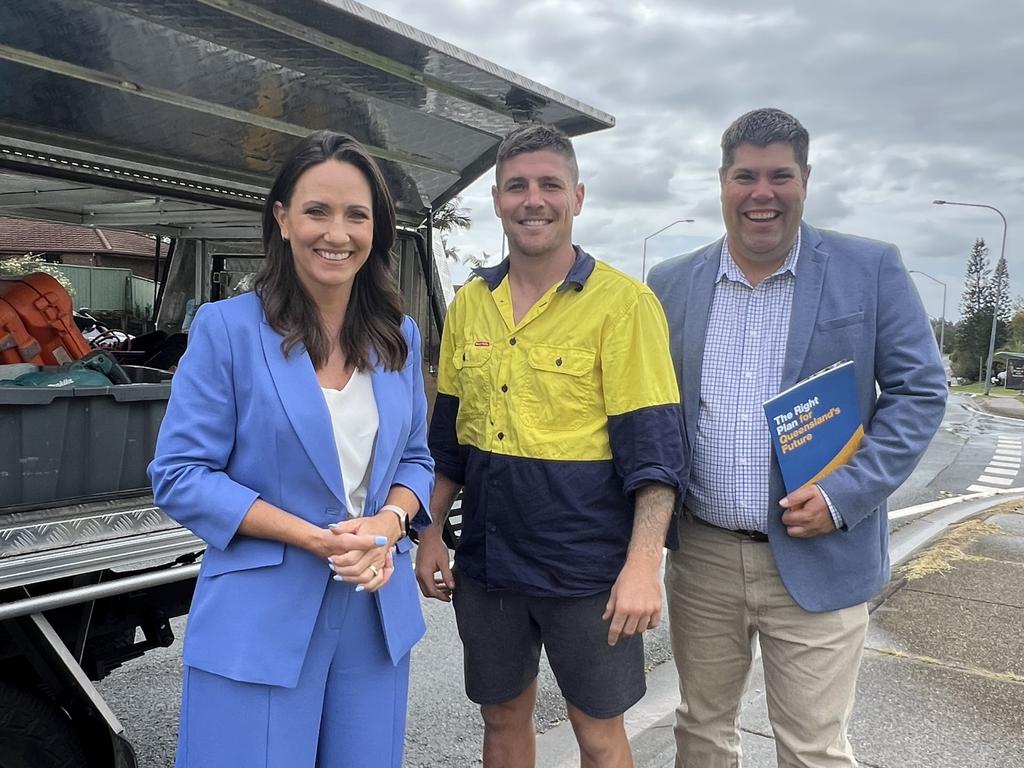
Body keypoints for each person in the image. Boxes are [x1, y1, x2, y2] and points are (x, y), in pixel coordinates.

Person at [647, 107, 948, 768]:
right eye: (746, 176)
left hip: (821, 556)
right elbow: (651, 416)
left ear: (805, 180)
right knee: (699, 730)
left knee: (813, 749)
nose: (763, 193)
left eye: (780, 176)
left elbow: (921, 391)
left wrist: (845, 494)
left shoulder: (869, 269)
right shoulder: (668, 284)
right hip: (703, 556)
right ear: (722, 182)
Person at [148, 130, 434, 768]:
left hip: (373, 613)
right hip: (260, 618)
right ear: (282, 219)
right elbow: (180, 475)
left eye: (357, 215)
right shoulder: (227, 329)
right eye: (317, 211)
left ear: (377, 229)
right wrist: (314, 538)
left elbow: (416, 456)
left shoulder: (400, 337)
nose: (338, 232)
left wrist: (388, 524)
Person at [415, 124, 685, 768]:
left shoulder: (624, 306)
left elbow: (656, 458)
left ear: (578, 197)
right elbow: (448, 441)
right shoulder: (471, 303)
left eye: (549, 185)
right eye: (517, 186)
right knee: (502, 722)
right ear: (498, 201)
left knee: (597, 733)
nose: (533, 200)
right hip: (488, 562)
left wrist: (644, 565)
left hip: (587, 572)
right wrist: (428, 534)